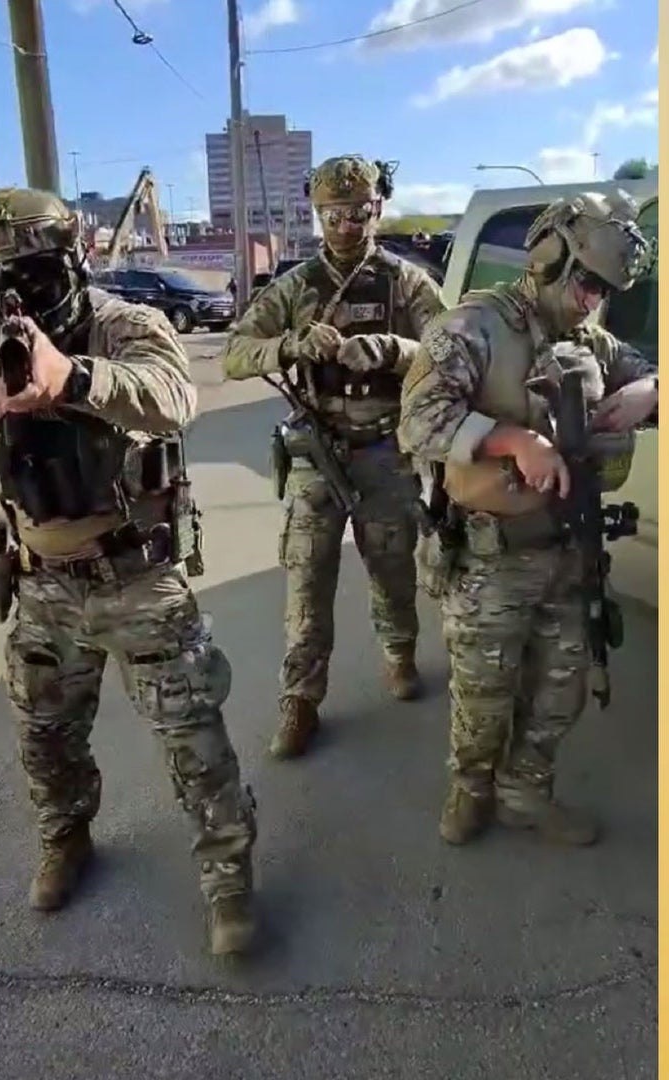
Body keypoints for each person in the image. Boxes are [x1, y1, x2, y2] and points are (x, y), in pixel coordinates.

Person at [0, 187, 258, 956]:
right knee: (45, 735)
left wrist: (74, 379)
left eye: (36, 274)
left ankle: (229, 879)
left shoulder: (124, 322)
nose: (17, 296)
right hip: (41, 577)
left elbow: (174, 398)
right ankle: (67, 839)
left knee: (191, 734)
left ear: (71, 261)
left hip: (135, 572)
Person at [397, 191, 656, 847]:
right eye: (588, 282)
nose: (593, 299)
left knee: (558, 693)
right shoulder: (472, 327)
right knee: (483, 700)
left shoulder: (590, 342)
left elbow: (657, 377)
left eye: (605, 290)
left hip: (568, 555)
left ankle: (525, 793)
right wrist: (513, 440)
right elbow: (418, 422)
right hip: (490, 559)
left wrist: (651, 390)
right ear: (548, 257)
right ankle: (471, 789)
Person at [220, 155, 446, 760]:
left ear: (379, 207)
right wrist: (290, 344)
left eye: (360, 211)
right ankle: (301, 698)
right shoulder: (295, 286)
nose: (348, 224)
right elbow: (235, 353)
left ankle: (399, 653)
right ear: (317, 214)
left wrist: (395, 350)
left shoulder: (406, 281)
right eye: (335, 213)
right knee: (307, 580)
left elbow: (451, 348)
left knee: (393, 569)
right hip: (318, 455)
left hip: (385, 450)